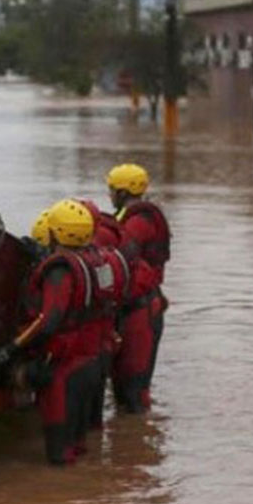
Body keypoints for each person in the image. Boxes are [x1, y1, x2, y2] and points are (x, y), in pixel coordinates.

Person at [3, 200, 117, 465]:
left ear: (55, 233)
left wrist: (13, 349)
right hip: (92, 359)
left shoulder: (60, 269)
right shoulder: (98, 260)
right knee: (79, 447)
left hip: (65, 366)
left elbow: (50, 320)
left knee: (59, 456)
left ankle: (64, 502)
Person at [106, 164, 171, 414]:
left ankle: (139, 441)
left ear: (122, 193)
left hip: (140, 310)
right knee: (124, 385)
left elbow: (122, 257)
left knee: (133, 388)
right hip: (141, 304)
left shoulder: (138, 222)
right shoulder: (136, 217)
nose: (110, 195)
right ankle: (134, 440)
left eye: (112, 190)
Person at [75, 198, 130, 430]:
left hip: (86, 348)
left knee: (78, 423)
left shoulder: (79, 264)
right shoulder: (107, 259)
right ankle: (100, 459)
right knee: (93, 420)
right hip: (102, 342)